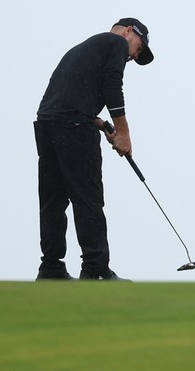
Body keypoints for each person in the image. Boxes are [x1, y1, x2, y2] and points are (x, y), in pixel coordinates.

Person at [32, 18, 155, 281]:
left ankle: (51, 269)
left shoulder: (84, 47)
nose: (134, 56)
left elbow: (73, 92)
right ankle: (96, 269)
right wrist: (123, 133)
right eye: (138, 48)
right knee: (88, 199)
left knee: (53, 201)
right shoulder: (115, 42)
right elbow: (112, 88)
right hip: (73, 128)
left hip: (48, 125)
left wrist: (100, 124)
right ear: (128, 31)